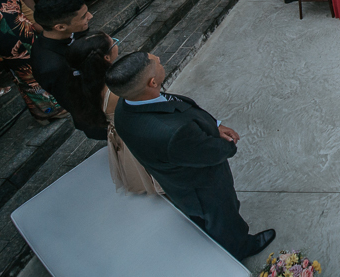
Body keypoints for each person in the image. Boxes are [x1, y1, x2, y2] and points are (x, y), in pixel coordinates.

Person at [106, 51, 275, 259]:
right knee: (223, 216)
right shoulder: (172, 133)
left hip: (176, 177)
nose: (159, 59)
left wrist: (215, 125)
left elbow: (181, 106)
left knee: (205, 217)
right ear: (152, 82)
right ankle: (241, 247)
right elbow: (211, 152)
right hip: (201, 186)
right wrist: (229, 145)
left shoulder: (126, 104)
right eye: (155, 62)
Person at [66, 32, 162, 195]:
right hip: (133, 133)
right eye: (113, 43)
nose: (117, 44)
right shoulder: (116, 90)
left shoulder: (82, 84)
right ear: (106, 58)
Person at [30, 0, 105, 138]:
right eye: (83, 16)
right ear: (60, 27)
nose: (90, 16)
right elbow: (76, 103)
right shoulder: (52, 66)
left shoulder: (73, 33)